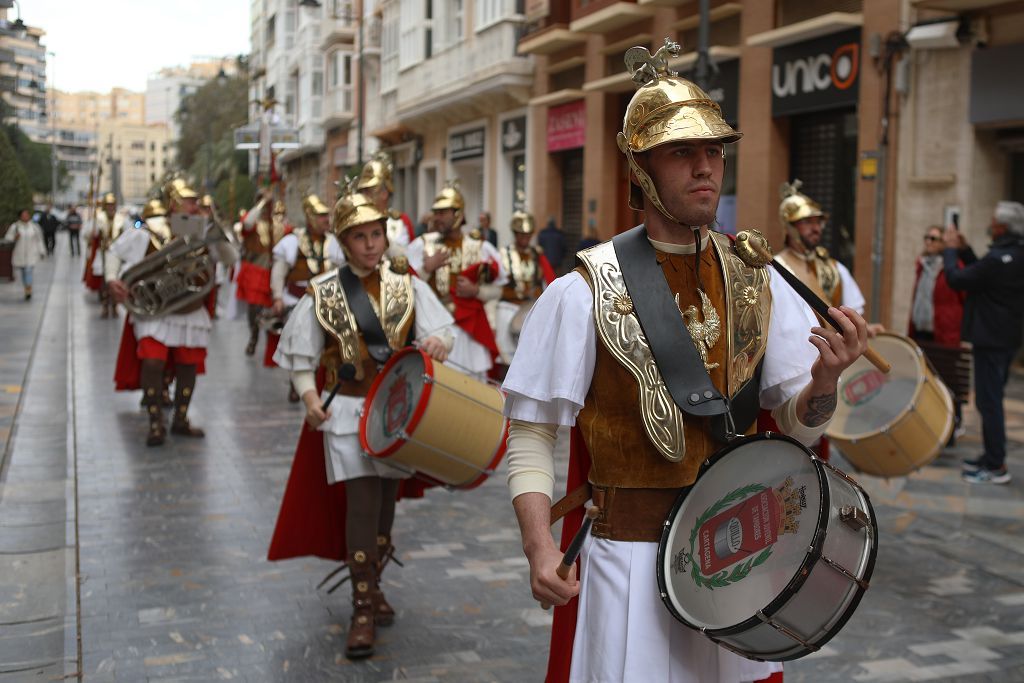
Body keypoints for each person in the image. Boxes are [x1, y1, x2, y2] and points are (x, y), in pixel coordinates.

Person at [502, 40, 868, 683]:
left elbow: (799, 427)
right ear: (640, 173)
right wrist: (538, 546)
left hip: (744, 555)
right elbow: (534, 434)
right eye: (682, 153)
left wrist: (826, 379)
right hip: (629, 559)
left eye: (712, 152)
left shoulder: (761, 281)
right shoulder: (581, 291)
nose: (705, 169)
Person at [267, 187, 455, 659]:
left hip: (395, 410)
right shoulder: (325, 290)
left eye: (376, 233)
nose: (371, 244)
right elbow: (300, 356)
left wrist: (437, 345)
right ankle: (362, 609)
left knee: (387, 506)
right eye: (359, 236)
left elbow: (442, 330)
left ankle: (372, 587)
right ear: (344, 241)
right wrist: (310, 397)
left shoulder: (405, 282)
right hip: (348, 413)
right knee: (362, 505)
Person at [107, 178, 235, 446]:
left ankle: (181, 418)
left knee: (189, 365)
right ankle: (155, 423)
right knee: (152, 362)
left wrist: (212, 227)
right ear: (174, 203)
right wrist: (111, 279)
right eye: (189, 201)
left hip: (190, 309)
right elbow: (114, 252)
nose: (194, 205)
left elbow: (230, 259)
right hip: (157, 312)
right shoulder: (148, 228)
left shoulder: (202, 230)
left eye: (195, 201)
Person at [944, 201, 1024, 484]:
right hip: (1006, 339)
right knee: (992, 401)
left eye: (992, 220)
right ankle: (991, 456)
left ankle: (995, 466)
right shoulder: (1014, 255)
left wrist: (951, 249)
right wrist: (965, 250)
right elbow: (984, 275)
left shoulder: (998, 259)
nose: (989, 224)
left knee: (989, 403)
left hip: (991, 340)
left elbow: (957, 279)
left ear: (1001, 227)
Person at [406, 181, 507, 379]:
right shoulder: (422, 245)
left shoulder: (480, 247)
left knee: (472, 388)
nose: (437, 217)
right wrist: (427, 269)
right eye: (436, 212)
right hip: (434, 328)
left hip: (469, 332)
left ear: (458, 214)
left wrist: (476, 291)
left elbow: (499, 291)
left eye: (443, 212)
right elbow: (405, 286)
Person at [776, 181, 884, 335]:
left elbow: (853, 314)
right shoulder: (775, 269)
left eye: (818, 222)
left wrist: (865, 329)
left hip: (832, 353)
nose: (816, 228)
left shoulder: (835, 268)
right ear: (789, 227)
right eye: (806, 222)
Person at [269, 193, 339, 400]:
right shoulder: (292, 241)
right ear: (309, 217)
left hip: (329, 301)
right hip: (297, 301)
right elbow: (279, 272)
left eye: (327, 215)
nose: (326, 220)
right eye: (321, 216)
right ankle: (297, 383)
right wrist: (278, 297)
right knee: (300, 345)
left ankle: (319, 381)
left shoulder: (335, 242)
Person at [908, 225, 966, 440]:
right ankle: (931, 427)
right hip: (922, 331)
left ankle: (953, 427)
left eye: (934, 238)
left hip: (944, 334)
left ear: (943, 243)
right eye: (927, 237)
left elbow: (963, 300)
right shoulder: (921, 265)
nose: (929, 242)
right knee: (927, 383)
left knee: (949, 382)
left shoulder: (954, 268)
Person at [495, 211, 555, 366]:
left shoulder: (537, 254)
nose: (525, 239)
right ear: (515, 234)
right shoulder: (503, 254)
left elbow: (548, 280)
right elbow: (495, 282)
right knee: (505, 349)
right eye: (521, 235)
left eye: (528, 235)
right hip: (508, 306)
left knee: (534, 350)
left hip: (531, 307)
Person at [236, 192, 290, 357]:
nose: (267, 207)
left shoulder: (278, 224)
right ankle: (254, 336)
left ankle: (272, 342)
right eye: (264, 204)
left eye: (269, 204)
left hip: (273, 270)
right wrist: (261, 203)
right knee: (254, 307)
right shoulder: (253, 223)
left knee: (273, 309)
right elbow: (247, 223)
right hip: (255, 269)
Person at [357, 151, 416, 257]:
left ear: (384, 193)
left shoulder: (401, 221)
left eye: (368, 191)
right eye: (362, 191)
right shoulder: (355, 219)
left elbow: (410, 260)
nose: (363, 196)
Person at [84, 193, 126, 318]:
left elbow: (127, 235)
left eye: (112, 205)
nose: (110, 207)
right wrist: (92, 233)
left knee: (116, 280)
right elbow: (87, 235)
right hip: (103, 254)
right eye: (108, 205)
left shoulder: (121, 219)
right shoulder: (99, 219)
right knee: (104, 283)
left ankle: (115, 306)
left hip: (117, 254)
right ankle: (104, 305)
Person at [6, 208, 46, 300]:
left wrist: (42, 251)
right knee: (24, 272)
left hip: (32, 253)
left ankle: (28, 290)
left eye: (27, 215)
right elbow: (8, 238)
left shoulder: (34, 227)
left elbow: (39, 240)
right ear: (20, 216)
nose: (26, 216)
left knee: (28, 271)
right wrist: (15, 237)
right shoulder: (15, 226)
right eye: (23, 215)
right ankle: (27, 288)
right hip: (19, 253)